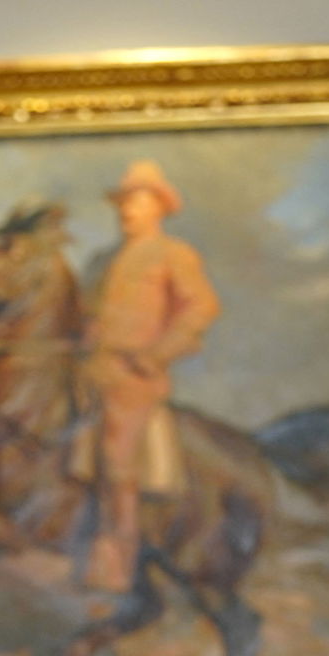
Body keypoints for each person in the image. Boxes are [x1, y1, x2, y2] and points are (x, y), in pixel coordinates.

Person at [72, 159, 220, 592]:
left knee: (117, 459)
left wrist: (157, 355)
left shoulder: (173, 255)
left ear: (159, 207)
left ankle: (118, 562)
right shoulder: (100, 261)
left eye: (137, 201)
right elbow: (83, 312)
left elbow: (202, 309)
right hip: (87, 371)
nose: (126, 211)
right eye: (123, 202)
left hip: (134, 377)